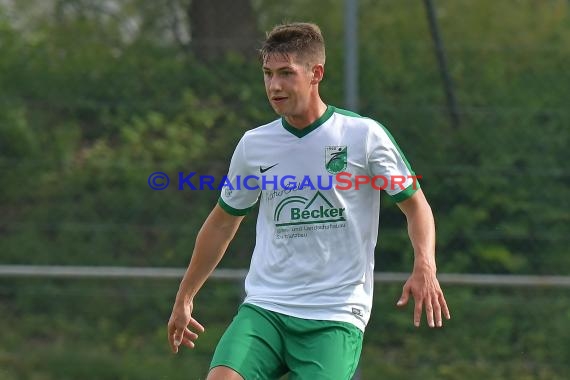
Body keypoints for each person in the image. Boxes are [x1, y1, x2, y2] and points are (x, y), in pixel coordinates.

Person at [167, 22, 450, 379]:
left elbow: (416, 205)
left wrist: (425, 264)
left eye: (286, 73)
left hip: (333, 315)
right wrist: (186, 295)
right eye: (268, 74)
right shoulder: (255, 145)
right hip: (265, 308)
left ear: (316, 73)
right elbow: (223, 222)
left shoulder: (363, 136)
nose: (274, 86)